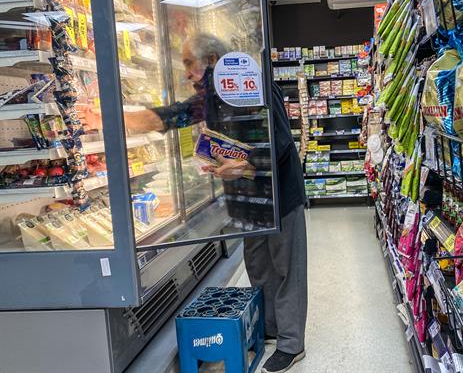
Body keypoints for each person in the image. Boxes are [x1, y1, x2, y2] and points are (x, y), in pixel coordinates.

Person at [81, 33, 308, 373]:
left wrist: (243, 165)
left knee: (287, 266)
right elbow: (171, 116)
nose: (185, 72)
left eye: (189, 63)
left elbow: (281, 142)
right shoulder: (210, 98)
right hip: (246, 197)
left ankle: (291, 344)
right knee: (259, 264)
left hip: (279, 194)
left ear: (212, 59)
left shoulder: (253, 83)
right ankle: (270, 327)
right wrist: (108, 118)